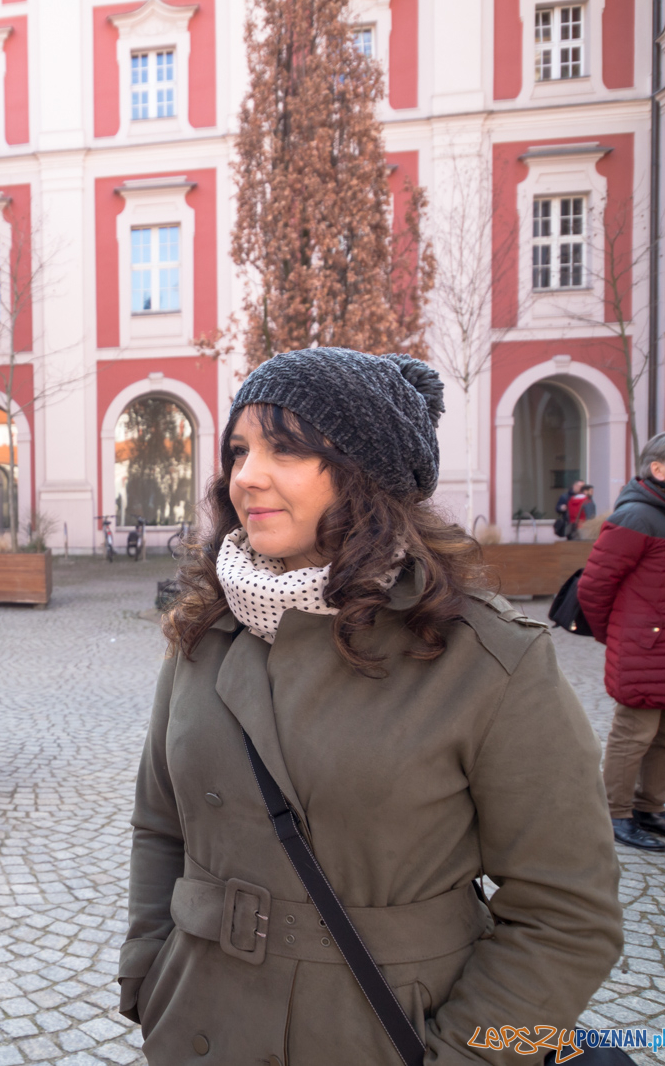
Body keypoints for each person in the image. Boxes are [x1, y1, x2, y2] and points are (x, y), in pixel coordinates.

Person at [122, 348, 621, 1062]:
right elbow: (159, 823)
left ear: (367, 475)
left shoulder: (487, 658)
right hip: (196, 1028)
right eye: (239, 450)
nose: (246, 475)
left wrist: (468, 1057)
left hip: (385, 1033)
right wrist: (147, 977)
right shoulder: (205, 627)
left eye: (285, 448)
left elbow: (569, 917)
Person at [578, 432, 665, 851]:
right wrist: (617, 636)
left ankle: (650, 807)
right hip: (644, 647)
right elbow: (594, 587)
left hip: (661, 647)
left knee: (664, 734)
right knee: (634, 734)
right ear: (658, 469)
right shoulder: (636, 516)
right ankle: (615, 812)